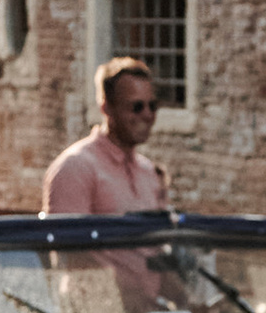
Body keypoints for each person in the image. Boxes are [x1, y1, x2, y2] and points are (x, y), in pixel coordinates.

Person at [41, 54, 171, 215]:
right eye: (137, 107)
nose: (147, 115)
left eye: (152, 106)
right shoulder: (75, 169)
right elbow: (64, 237)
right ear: (107, 108)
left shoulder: (148, 171)